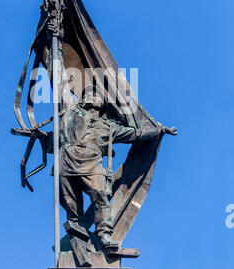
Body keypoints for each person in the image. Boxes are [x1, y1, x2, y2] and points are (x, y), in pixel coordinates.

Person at [58, 85, 176, 249]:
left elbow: (136, 134)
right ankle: (76, 226)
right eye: (87, 95)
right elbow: (59, 82)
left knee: (99, 193)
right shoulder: (69, 113)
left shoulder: (109, 126)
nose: (91, 96)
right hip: (66, 158)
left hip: (92, 161)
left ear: (102, 105)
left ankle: (104, 234)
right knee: (68, 197)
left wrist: (158, 130)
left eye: (96, 95)